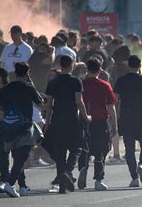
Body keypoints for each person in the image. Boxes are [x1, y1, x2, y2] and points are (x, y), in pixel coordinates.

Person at [0, 62, 43, 198]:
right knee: (21, 158)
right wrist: (31, 84)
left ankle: (23, 186)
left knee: (17, 157)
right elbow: (40, 102)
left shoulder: (6, 89)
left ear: (14, 73)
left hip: (7, 127)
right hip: (24, 128)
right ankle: (10, 183)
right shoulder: (28, 88)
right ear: (27, 74)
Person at [44, 55, 91, 194]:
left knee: (60, 151)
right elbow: (79, 102)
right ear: (71, 65)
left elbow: (49, 104)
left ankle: (62, 182)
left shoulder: (53, 82)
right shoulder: (76, 81)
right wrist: (86, 117)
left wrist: (47, 122)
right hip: (72, 118)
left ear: (60, 65)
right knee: (77, 148)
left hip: (57, 119)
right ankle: (67, 171)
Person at [114, 55, 142, 187]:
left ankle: (134, 177)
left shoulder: (121, 81)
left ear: (128, 66)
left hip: (126, 117)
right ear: (139, 66)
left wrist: (115, 120)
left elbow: (115, 102)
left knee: (129, 149)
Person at [80, 59, 118, 191]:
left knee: (85, 148)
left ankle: (83, 168)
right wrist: (115, 125)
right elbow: (111, 107)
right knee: (101, 151)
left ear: (87, 69)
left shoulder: (81, 84)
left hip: (84, 120)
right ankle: (98, 180)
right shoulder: (104, 85)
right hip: (101, 121)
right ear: (100, 70)